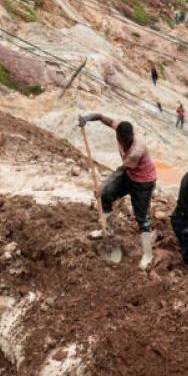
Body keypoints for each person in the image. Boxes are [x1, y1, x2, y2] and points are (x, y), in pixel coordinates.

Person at [77, 112, 158, 268]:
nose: (122, 142)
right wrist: (86, 118)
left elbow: (120, 170)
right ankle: (105, 230)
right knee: (106, 195)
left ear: (130, 137)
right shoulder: (120, 128)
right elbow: (101, 117)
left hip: (143, 182)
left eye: (126, 141)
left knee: (142, 219)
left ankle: (147, 255)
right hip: (130, 174)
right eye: (121, 140)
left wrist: (102, 185)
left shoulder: (136, 149)